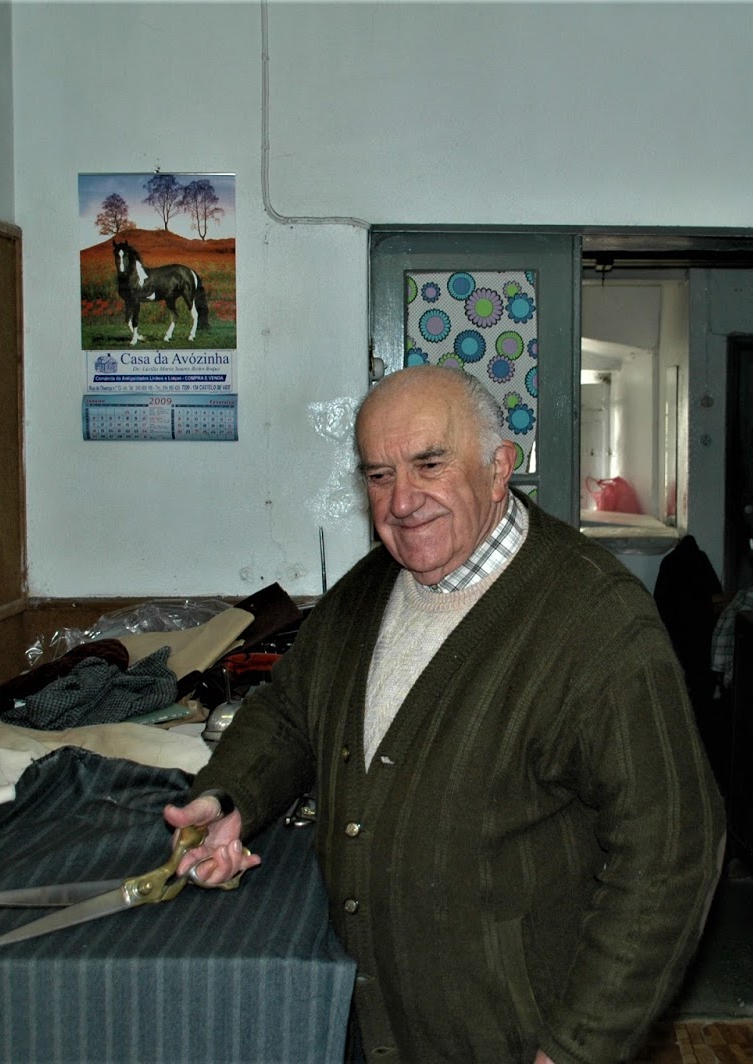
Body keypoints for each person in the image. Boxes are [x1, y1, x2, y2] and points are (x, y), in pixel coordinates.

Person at [165, 365, 724, 1064]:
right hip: (379, 1025)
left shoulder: (598, 622)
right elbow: (289, 711)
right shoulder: (369, 588)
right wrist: (230, 799)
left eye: (430, 465)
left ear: (498, 470)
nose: (402, 501)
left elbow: (670, 851)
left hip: (517, 1034)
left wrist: (580, 1047)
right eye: (379, 476)